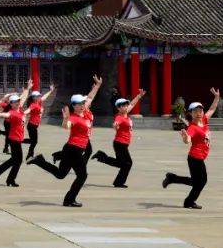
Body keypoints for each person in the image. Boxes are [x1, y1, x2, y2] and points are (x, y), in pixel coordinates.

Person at [28, 75, 103, 207]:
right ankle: (69, 200)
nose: (84, 104)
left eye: (83, 102)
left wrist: (97, 86)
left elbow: (90, 97)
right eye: (80, 103)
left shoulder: (86, 111)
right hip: (73, 149)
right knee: (82, 176)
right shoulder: (73, 118)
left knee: (61, 174)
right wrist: (65, 118)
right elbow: (66, 127)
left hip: (72, 149)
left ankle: (40, 161)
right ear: (74, 106)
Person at [162, 89, 220, 209]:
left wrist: (216, 97)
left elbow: (212, 109)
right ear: (191, 113)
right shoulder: (192, 127)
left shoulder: (204, 121)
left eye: (200, 110)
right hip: (195, 158)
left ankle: (172, 178)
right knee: (201, 181)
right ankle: (189, 202)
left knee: (196, 182)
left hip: (200, 157)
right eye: (195, 111)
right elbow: (188, 140)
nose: (199, 113)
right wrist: (185, 137)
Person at [93, 89, 145, 188]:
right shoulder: (119, 117)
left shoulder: (126, 113)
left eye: (126, 105)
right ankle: (118, 182)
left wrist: (139, 96)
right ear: (118, 108)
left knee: (122, 164)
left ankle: (102, 157)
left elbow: (132, 104)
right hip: (119, 143)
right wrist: (115, 126)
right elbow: (116, 124)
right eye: (123, 106)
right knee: (128, 163)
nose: (126, 107)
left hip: (124, 143)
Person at [0, 81, 34, 188]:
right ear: (11, 103)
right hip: (14, 140)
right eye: (14, 102)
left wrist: (27, 88)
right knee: (18, 161)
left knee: (14, 160)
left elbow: (23, 97)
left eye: (18, 101)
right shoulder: (12, 113)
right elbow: (6, 114)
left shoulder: (20, 110)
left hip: (17, 138)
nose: (17, 103)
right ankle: (10, 179)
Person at [25, 85, 55, 159]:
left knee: (33, 141)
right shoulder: (33, 105)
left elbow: (44, 97)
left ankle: (29, 154)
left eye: (39, 96)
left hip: (34, 125)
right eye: (38, 96)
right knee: (34, 141)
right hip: (32, 125)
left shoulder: (38, 102)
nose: (39, 97)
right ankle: (29, 154)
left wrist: (51, 91)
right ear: (34, 98)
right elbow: (28, 110)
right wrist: (21, 114)